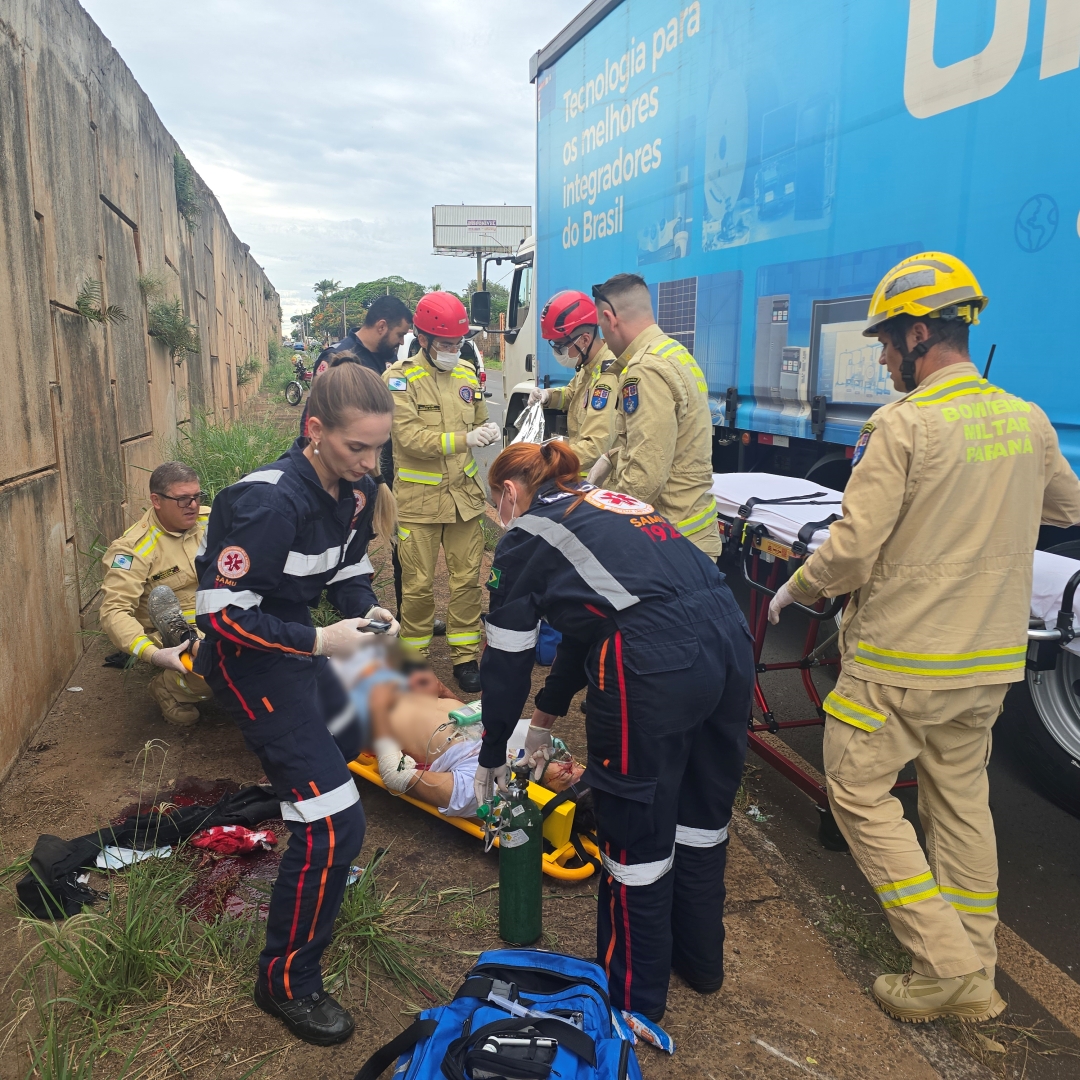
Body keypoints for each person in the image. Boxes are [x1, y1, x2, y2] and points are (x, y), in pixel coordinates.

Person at [768, 252, 1080, 1023]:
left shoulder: (904, 428)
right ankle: (975, 962)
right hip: (989, 664)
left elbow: (851, 549)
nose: (880, 358)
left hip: (901, 662)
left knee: (857, 791)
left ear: (916, 335)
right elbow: (1066, 510)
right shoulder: (1028, 419)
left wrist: (796, 588)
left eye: (884, 343)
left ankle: (945, 967)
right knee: (960, 802)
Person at [475, 440, 754, 1024]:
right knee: (702, 819)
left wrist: (493, 750)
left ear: (508, 492)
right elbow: (590, 616)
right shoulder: (607, 502)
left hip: (653, 664)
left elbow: (506, 660)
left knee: (635, 841)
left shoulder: (527, 534)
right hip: (729, 639)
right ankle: (700, 963)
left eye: (496, 503)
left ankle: (633, 1005)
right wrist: (544, 721)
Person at [192, 363, 400, 1046]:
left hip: (294, 644)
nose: (370, 465)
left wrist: (368, 615)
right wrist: (319, 639)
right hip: (248, 657)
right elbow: (222, 619)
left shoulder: (354, 491)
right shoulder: (268, 503)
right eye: (356, 449)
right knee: (336, 823)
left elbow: (347, 571)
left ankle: (307, 834)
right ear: (315, 431)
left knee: (347, 734)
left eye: (378, 448)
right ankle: (285, 981)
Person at [383, 292, 500, 692]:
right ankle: (412, 660)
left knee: (467, 581)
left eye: (457, 344)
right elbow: (410, 437)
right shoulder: (399, 378)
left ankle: (465, 657)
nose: (452, 350)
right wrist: (466, 437)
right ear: (422, 336)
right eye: (444, 344)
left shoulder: (468, 374)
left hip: (464, 499)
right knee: (416, 585)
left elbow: (480, 418)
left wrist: (487, 431)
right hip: (418, 504)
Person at [333, 639, 584, 817]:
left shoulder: (479, 790)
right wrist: (439, 691)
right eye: (573, 763)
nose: (568, 764)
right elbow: (468, 709)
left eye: (567, 775)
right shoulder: (531, 747)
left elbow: (397, 776)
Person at [587, 273, 721, 559]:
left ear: (610, 319)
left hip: (669, 540)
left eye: (601, 326)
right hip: (691, 535)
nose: (604, 337)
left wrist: (605, 527)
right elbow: (667, 440)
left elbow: (644, 476)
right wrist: (611, 458)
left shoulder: (644, 370)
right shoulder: (676, 353)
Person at [99, 462, 213, 726]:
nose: (193, 506)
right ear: (156, 500)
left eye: (197, 496)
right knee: (212, 670)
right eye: (183, 499)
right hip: (174, 635)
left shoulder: (213, 520)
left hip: (224, 618)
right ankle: (169, 689)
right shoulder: (131, 551)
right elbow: (114, 610)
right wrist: (153, 653)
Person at [529, 290, 624, 476]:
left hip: (600, 484)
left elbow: (595, 445)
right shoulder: (589, 366)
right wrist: (547, 395)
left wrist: (545, 462)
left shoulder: (607, 377)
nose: (557, 352)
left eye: (561, 346)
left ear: (585, 340)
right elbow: (573, 393)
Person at [301, 294, 412, 436]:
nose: (402, 342)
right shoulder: (337, 356)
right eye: (400, 335)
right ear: (382, 326)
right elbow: (312, 414)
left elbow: (399, 397)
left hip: (383, 451)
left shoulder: (390, 358)